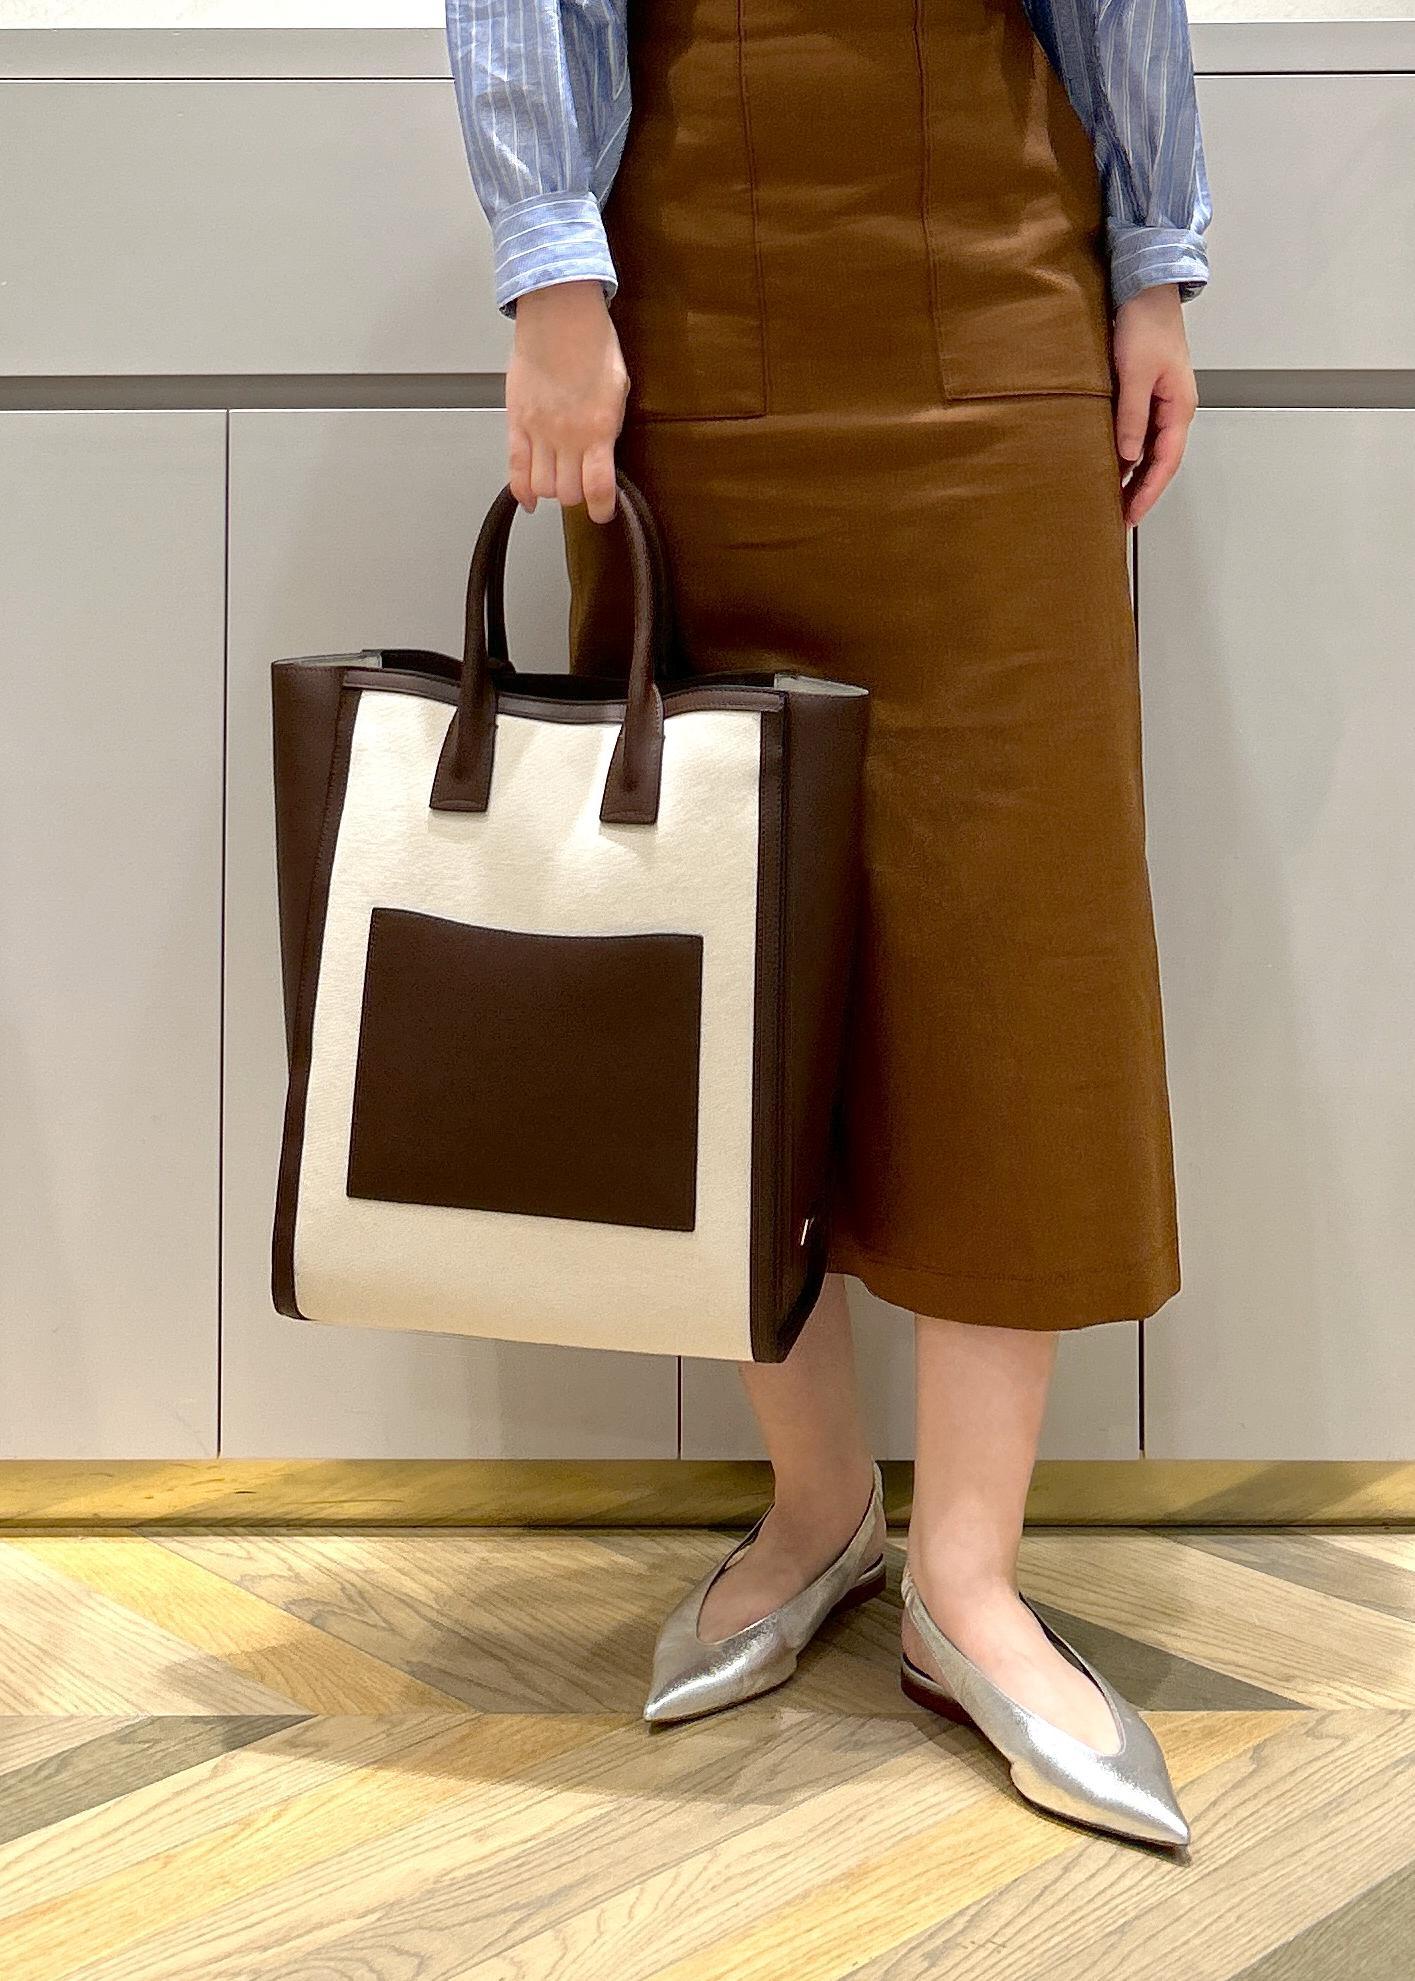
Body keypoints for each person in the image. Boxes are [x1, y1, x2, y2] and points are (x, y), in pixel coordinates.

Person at [445, 0, 1209, 1850]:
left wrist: (1155, 260)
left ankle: (970, 1576)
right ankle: (818, 1506)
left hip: (1007, 280)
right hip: (684, 297)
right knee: (730, 928)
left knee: (1024, 929)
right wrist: (550, 270)